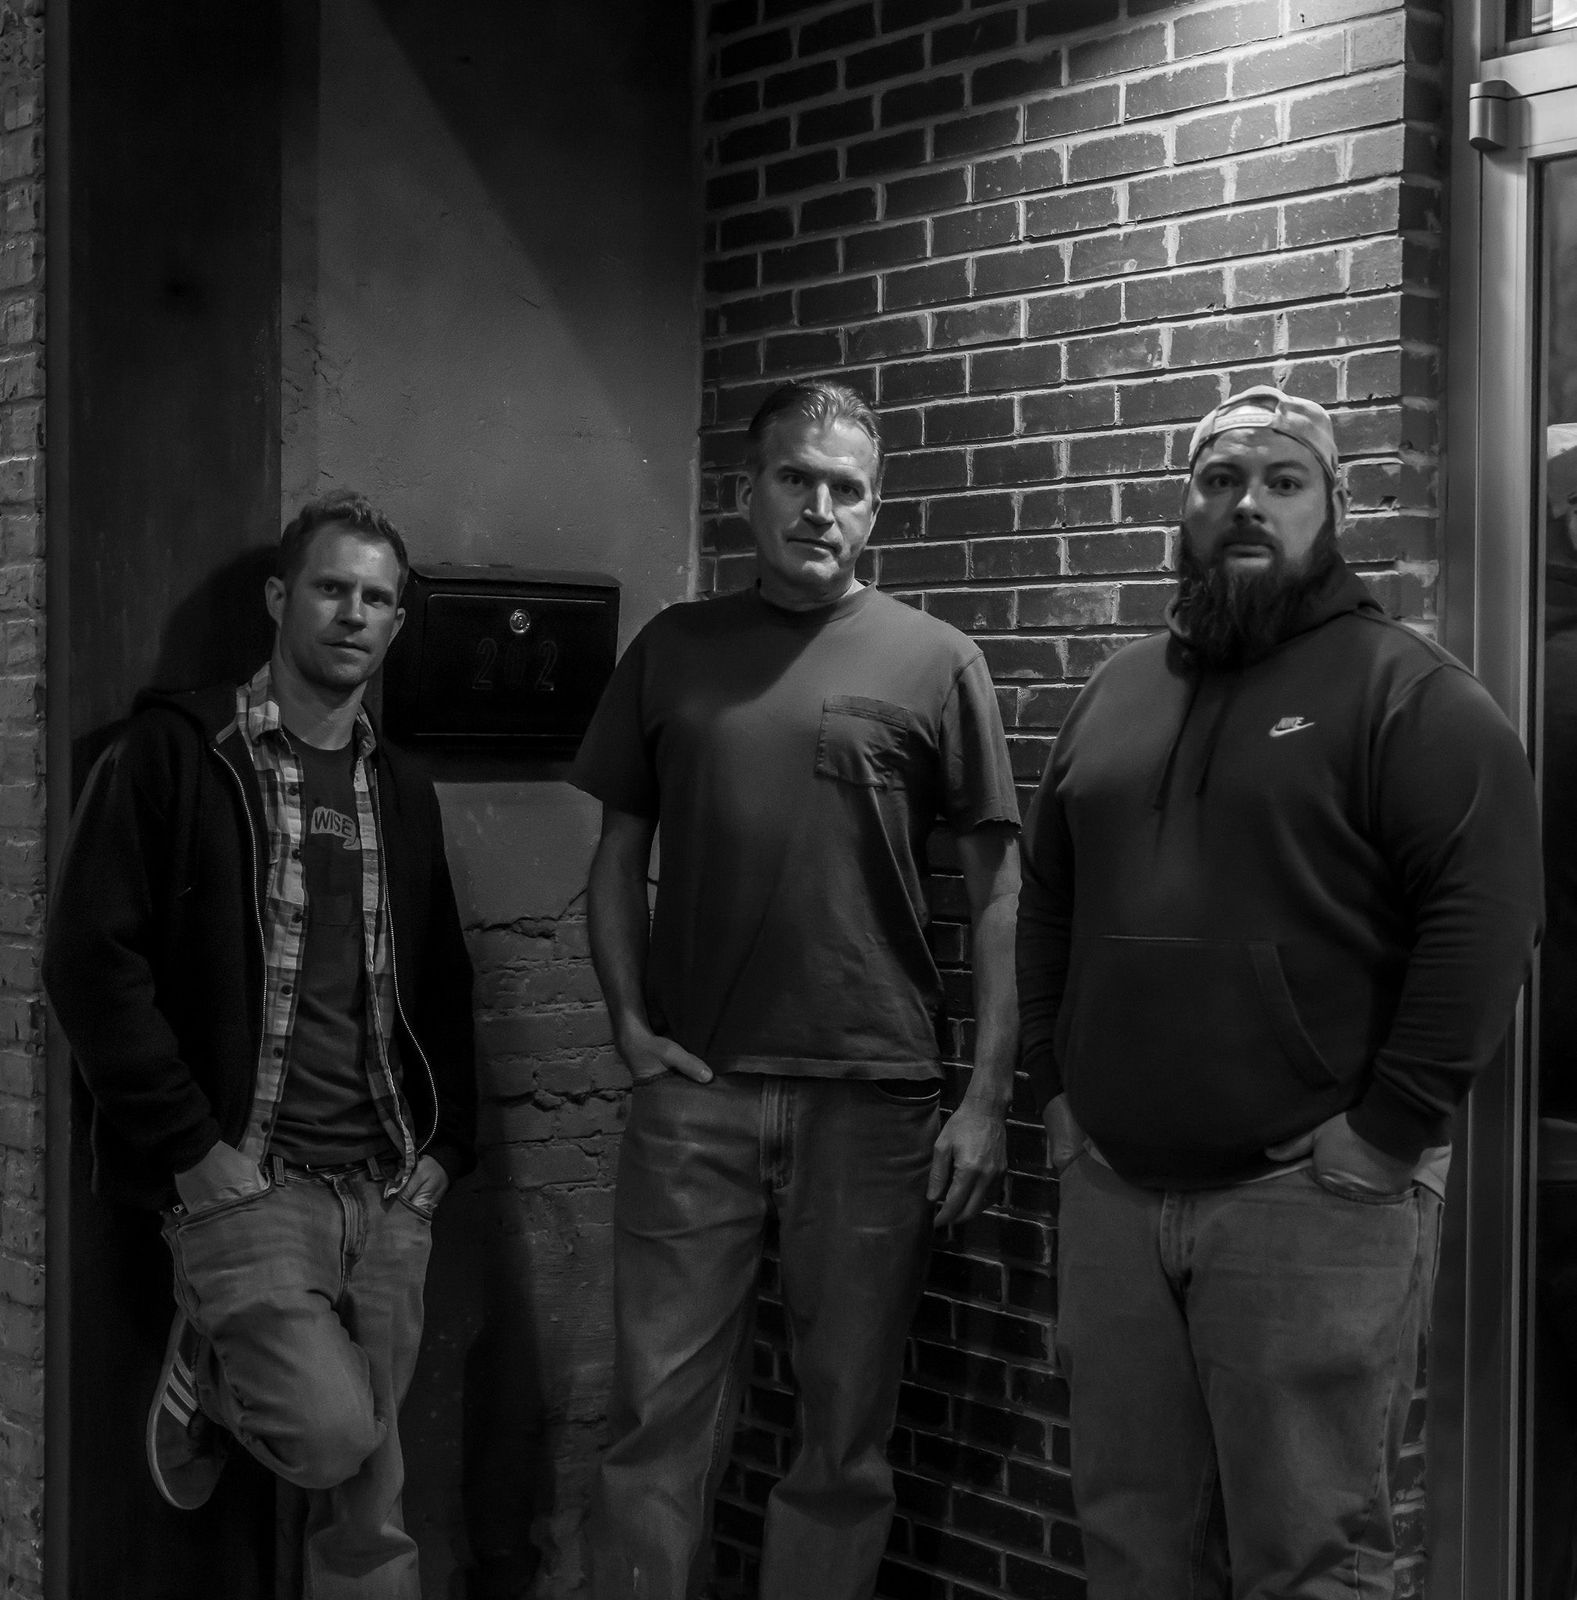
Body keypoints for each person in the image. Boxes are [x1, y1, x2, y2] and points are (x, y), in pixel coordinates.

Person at [1017, 386, 1543, 1599]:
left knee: (1306, 1560)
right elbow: (1047, 900)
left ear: (1331, 508)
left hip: (1307, 1203)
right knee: (1130, 1547)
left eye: (1281, 480)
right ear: (1183, 509)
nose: (1245, 503)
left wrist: (1386, 1132)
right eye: (1219, 481)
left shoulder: (1408, 692)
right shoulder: (1115, 691)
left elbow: (1486, 924)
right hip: (1111, 1191)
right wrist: (1053, 1086)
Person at [571, 379, 1021, 1600]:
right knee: (654, 1425)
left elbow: (997, 892)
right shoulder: (672, 650)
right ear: (747, 493)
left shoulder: (937, 661)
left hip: (872, 1103)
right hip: (694, 1097)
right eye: (796, 480)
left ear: (873, 510)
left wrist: (984, 1096)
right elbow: (615, 858)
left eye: (846, 489)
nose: (820, 507)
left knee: (843, 1440)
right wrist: (627, 1026)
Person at [43, 494, 476, 1598]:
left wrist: (444, 1150)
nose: (354, 613)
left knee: (372, 1503)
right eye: (332, 588)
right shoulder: (177, 752)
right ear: (281, 598)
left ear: (397, 624)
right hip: (247, 1178)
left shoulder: (399, 786)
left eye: (377, 598)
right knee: (334, 1437)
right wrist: (192, 1149)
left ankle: (219, 1369)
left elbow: (440, 979)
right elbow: (90, 962)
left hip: (385, 1182)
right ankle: (206, 1356)